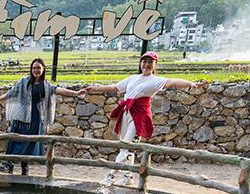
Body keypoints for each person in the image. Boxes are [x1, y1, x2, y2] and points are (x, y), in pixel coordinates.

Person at [84, 52, 196, 186]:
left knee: (126, 146)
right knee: (126, 147)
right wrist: (94, 89)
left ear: (155, 65)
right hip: (126, 113)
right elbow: (115, 87)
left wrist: (192, 84)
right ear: (140, 63)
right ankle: (128, 177)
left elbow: (173, 82)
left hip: (140, 116)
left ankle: (110, 175)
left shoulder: (156, 81)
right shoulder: (133, 78)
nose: (146, 64)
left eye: (150, 62)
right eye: (144, 61)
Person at [0, 58, 85, 175]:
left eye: (38, 67)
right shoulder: (24, 82)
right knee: (15, 140)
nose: (36, 70)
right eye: (34, 68)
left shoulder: (46, 85)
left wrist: (75, 93)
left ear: (43, 69)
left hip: (35, 118)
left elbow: (58, 90)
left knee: (28, 142)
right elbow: (11, 93)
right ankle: (10, 164)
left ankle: (21, 165)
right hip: (21, 117)